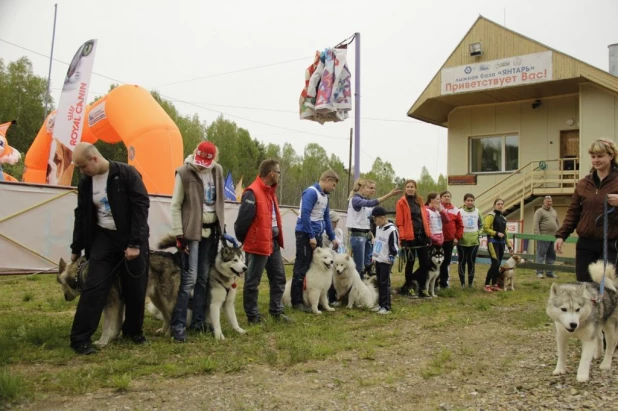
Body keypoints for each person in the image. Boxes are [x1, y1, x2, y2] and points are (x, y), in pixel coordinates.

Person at [68, 142, 150, 355]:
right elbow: (81, 213)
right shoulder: (86, 182)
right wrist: (76, 247)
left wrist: (134, 244)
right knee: (94, 286)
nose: (81, 171)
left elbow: (141, 209)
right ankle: (80, 339)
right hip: (103, 239)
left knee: (135, 288)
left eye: (83, 166)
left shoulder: (127, 174)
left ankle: (133, 332)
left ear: (94, 158)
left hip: (131, 237)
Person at [169, 141, 225, 342]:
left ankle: (199, 321)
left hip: (212, 232)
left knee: (203, 278)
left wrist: (222, 226)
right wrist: (178, 234)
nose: (202, 167)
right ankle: (178, 325)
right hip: (192, 233)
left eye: (206, 164)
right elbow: (175, 206)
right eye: (200, 162)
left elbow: (219, 201)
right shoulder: (184, 173)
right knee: (189, 279)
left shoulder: (217, 171)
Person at [234, 159, 291, 323]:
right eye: (278, 172)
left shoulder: (270, 192)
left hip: (272, 241)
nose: (279, 176)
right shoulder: (252, 192)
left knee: (279, 278)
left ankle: (276, 311)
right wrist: (248, 240)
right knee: (253, 281)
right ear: (271, 173)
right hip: (258, 243)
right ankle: (252, 316)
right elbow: (242, 222)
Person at [555, 139, 618, 282]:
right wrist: (561, 235)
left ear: (611, 156)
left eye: (600, 156)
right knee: (584, 286)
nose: (596, 160)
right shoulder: (584, 183)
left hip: (610, 244)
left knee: (607, 288)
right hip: (585, 244)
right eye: (593, 156)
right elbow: (573, 212)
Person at [291, 170, 340, 312]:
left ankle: (315, 300)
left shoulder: (325, 197)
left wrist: (332, 237)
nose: (334, 188)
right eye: (334, 185)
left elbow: (326, 218)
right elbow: (305, 214)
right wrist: (311, 235)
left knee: (316, 268)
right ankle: (297, 301)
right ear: (327, 180)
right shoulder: (311, 192)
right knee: (302, 267)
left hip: (316, 235)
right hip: (305, 234)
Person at [346, 178, 401, 279]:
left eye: (373, 188)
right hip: (358, 236)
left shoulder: (364, 201)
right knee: (359, 267)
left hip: (366, 235)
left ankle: (368, 282)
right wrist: (389, 195)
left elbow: (367, 219)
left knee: (369, 262)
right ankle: (358, 289)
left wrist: (370, 233)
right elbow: (371, 203)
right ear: (362, 188)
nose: (372, 190)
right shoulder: (356, 199)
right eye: (369, 188)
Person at [395, 179, 432, 299]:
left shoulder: (420, 201)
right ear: (405, 188)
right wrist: (403, 239)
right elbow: (400, 222)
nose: (410, 188)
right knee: (410, 263)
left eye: (412, 186)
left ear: (416, 188)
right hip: (409, 236)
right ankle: (409, 288)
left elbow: (425, 220)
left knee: (425, 264)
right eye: (408, 186)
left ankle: (422, 288)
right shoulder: (401, 202)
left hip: (422, 235)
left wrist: (428, 234)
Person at [371, 206, 399, 315]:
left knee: (384, 283)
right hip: (378, 259)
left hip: (386, 261)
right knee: (379, 282)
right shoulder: (378, 228)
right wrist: (374, 256)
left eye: (375, 219)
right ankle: (380, 304)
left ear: (382, 218)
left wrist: (390, 259)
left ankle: (386, 306)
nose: (374, 221)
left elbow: (394, 247)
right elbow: (377, 243)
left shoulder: (392, 230)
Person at [483, 198, 513, 292]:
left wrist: (509, 247)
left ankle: (494, 284)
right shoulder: (491, 215)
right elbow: (485, 228)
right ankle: (487, 284)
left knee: (498, 264)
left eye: (501, 204)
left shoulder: (504, 218)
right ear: (494, 205)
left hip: (501, 243)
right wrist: (496, 233)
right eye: (498, 204)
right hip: (493, 242)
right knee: (495, 263)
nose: (500, 205)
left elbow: (506, 235)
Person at [458, 193, 482, 288]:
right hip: (462, 241)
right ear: (464, 201)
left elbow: (482, 224)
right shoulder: (459, 211)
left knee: (471, 262)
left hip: (474, 241)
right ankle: (462, 283)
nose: (470, 202)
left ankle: (470, 283)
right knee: (462, 261)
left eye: (472, 200)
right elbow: (457, 225)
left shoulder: (477, 211)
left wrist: (478, 233)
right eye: (468, 200)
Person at [440, 191, 463, 289]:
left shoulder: (456, 210)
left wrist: (457, 237)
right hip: (436, 240)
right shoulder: (436, 208)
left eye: (448, 196)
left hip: (449, 240)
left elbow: (460, 226)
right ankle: (434, 282)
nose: (447, 198)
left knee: (446, 261)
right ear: (440, 198)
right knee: (435, 261)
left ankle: (444, 283)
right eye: (445, 196)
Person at [533, 195, 560, 279]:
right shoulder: (539, 211)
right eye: (548, 201)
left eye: (550, 201)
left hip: (553, 237)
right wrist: (538, 235)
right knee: (541, 254)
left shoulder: (554, 211)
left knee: (551, 255)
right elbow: (536, 223)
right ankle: (539, 272)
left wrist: (558, 233)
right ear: (544, 202)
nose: (549, 203)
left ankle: (549, 272)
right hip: (543, 236)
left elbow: (557, 222)